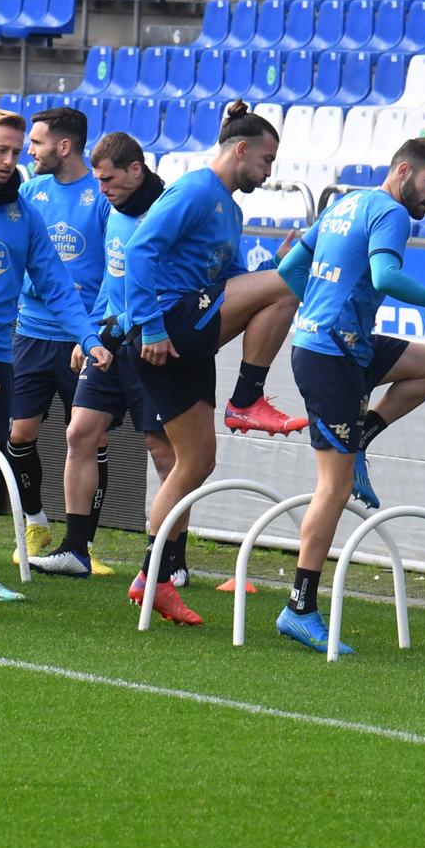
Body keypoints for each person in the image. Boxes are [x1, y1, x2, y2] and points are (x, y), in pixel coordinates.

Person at [270, 137, 425, 653]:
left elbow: (287, 271)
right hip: (332, 356)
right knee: (334, 486)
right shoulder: (391, 212)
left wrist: (320, 307)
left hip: (347, 347)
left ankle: (364, 433)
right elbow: (384, 275)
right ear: (403, 170)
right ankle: (299, 606)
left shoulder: (346, 202)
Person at [124, 101, 306, 627]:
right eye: (267, 160)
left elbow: (229, 282)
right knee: (286, 289)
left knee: (195, 465)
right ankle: (247, 399)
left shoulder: (229, 207)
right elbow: (140, 253)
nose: (270, 172)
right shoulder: (196, 189)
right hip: (168, 326)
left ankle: (153, 579)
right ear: (241, 149)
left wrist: (273, 267)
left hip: (191, 332)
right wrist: (152, 325)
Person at [0, 109, 111, 601]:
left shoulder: (25, 209)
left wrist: (90, 335)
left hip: (1, 352)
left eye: (19, 150)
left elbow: (57, 283)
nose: (12, 160)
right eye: (2, 150)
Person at [29, 132, 173, 579]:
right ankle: (76, 549)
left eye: (109, 179)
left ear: (136, 169)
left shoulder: (166, 213)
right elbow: (112, 283)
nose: (102, 189)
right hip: (108, 338)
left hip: (150, 346)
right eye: (98, 180)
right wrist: (87, 334)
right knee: (80, 433)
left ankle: (171, 558)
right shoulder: (115, 210)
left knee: (163, 451)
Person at [5, 105, 107, 562]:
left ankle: (81, 542)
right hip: (30, 330)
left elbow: (114, 268)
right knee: (19, 433)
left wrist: (93, 333)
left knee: (88, 438)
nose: (30, 151)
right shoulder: (30, 192)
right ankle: (36, 524)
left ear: (64, 146)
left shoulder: (102, 196)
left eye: (37, 142)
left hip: (79, 337)